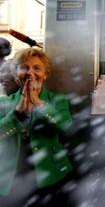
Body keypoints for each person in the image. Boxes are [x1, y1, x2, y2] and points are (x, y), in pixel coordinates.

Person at [0, 48, 73, 206]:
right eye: (24, 67)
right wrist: (17, 114)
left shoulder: (58, 100)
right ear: (16, 74)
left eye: (36, 68)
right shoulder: (3, 104)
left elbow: (66, 127)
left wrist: (40, 104)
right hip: (11, 179)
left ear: (45, 74)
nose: (29, 73)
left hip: (52, 176)